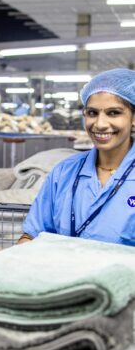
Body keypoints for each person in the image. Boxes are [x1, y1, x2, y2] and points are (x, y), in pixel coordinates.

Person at [20, 68, 135, 247]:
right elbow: (32, 236)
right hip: (64, 273)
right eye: (92, 113)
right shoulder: (64, 173)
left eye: (114, 113)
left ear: (133, 118)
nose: (100, 124)